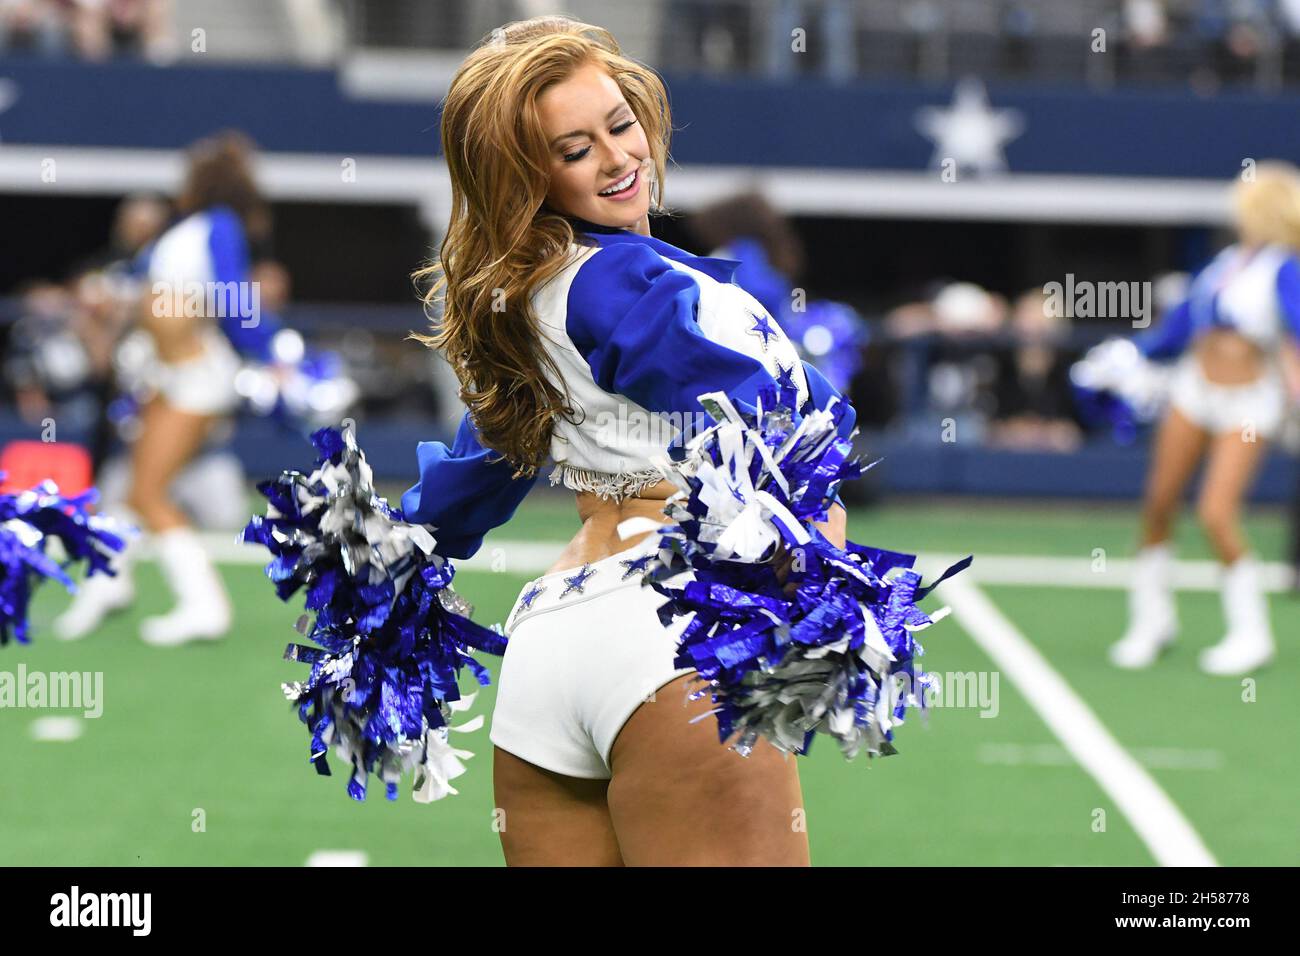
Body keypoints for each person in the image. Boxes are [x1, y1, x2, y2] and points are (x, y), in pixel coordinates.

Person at [402, 16, 855, 865]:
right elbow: (771, 424)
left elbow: (473, 476)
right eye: (574, 150)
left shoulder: (529, 291)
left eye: (620, 123)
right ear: (523, 176)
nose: (618, 157)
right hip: (676, 628)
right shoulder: (623, 279)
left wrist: (390, 569)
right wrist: (820, 574)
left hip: (554, 642)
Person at [54, 131, 279, 646]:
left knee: (150, 493)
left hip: (195, 376)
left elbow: (233, 297)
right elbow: (140, 281)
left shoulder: (219, 226)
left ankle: (205, 606)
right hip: (169, 374)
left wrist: (271, 352)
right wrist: (103, 293)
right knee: (135, 489)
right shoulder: (189, 231)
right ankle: (108, 585)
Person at [1109, 162, 1300, 676]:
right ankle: (1151, 623)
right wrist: (1133, 353)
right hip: (1194, 389)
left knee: (1216, 511)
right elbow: (1179, 328)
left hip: (1249, 400)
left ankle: (1251, 633)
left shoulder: (1286, 267)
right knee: (1158, 503)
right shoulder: (1223, 264)